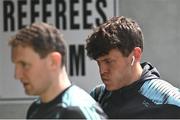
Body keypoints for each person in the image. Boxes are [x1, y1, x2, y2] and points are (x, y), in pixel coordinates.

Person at [85, 16, 180, 118]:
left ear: (135, 54)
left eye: (109, 61)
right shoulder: (97, 96)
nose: (102, 71)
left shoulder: (167, 99)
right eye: (98, 63)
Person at [8, 22, 107, 119]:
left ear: (53, 61)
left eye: (24, 64)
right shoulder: (34, 109)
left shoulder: (78, 110)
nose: (17, 75)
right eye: (16, 65)